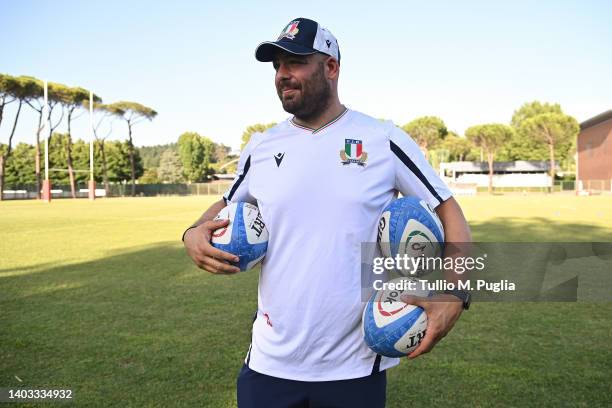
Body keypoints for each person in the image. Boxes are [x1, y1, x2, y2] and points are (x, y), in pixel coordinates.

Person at [183, 17, 471, 408]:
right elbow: (227, 204)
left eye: (295, 62)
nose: (283, 75)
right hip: (269, 363)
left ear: (331, 68)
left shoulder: (381, 138)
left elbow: (449, 211)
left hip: (354, 368)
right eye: (277, 66)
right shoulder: (262, 146)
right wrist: (192, 233)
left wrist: (455, 291)